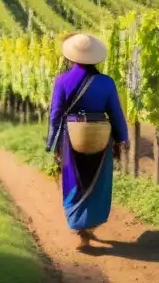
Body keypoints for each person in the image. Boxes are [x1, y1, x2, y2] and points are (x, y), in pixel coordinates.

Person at [46, 32, 129, 250]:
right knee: (97, 182)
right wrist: (122, 138)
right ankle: (89, 227)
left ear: (72, 57)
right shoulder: (106, 83)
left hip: (71, 139)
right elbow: (116, 113)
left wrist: (52, 143)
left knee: (74, 181)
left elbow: (55, 115)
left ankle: (78, 227)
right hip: (100, 139)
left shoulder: (62, 80)